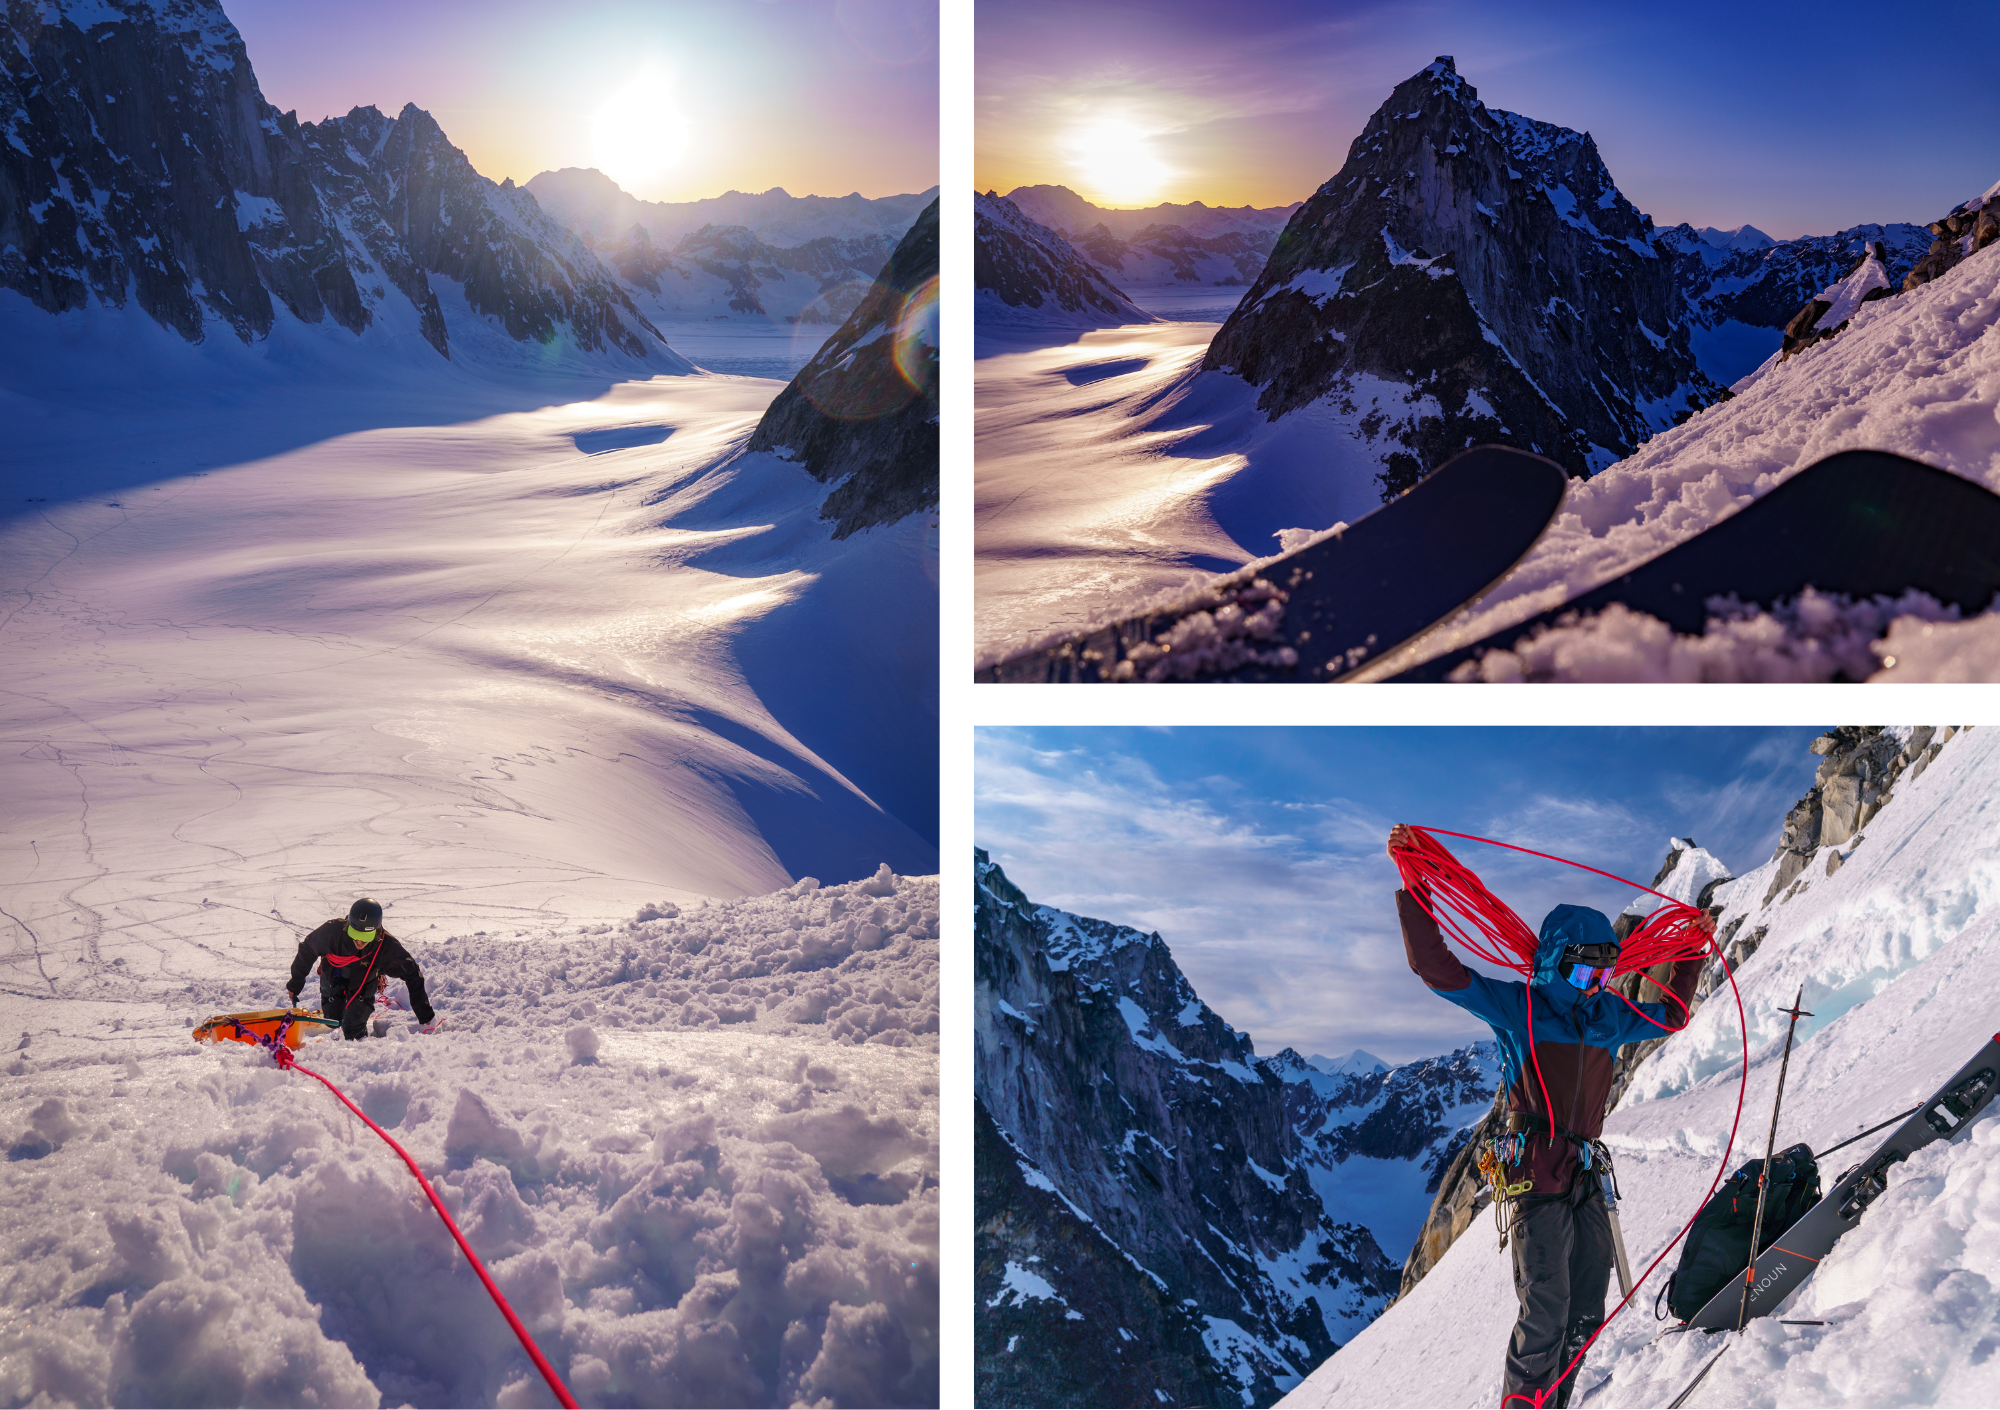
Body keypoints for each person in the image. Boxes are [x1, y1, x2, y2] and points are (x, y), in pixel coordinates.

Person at [1387, 825, 1707, 1410]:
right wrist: (1415, 888)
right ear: (1558, 962)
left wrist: (1692, 949)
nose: (1595, 985)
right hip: (1534, 1173)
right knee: (1546, 1308)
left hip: (1584, 1174)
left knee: (1586, 1306)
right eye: (1585, 972)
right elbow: (1440, 971)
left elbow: (1672, 1015)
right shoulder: (1522, 1009)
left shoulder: (1607, 1014)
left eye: (1604, 973)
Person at [286, 897, 434, 1040]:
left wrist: (424, 1013)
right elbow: (307, 949)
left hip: (364, 982)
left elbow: (412, 972)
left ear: (375, 931)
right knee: (332, 1021)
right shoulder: (332, 931)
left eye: (365, 937)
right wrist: (295, 983)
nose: (359, 941)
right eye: (355, 934)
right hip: (333, 975)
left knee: (353, 1029)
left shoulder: (385, 947)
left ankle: (359, 1047)